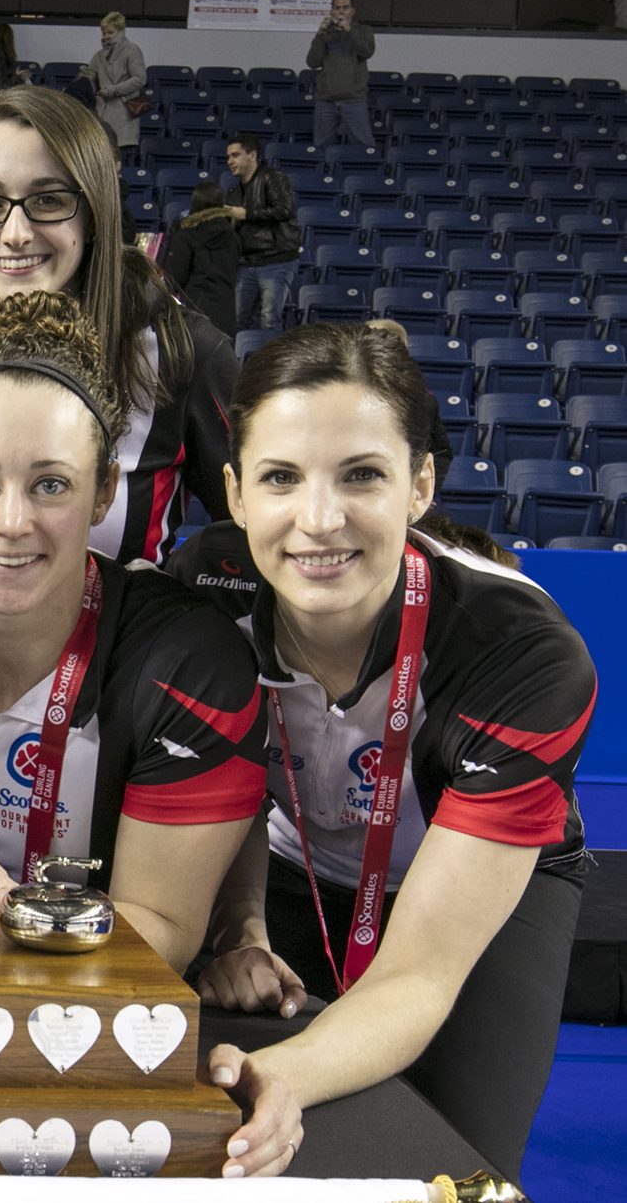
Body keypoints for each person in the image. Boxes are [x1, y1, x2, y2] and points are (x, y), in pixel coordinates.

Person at [167, 323, 594, 1180]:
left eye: (362, 474)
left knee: (459, 1169)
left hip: (489, 883)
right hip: (290, 863)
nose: (319, 521)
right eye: (280, 477)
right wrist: (239, 923)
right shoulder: (202, 590)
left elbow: (419, 979)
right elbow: (219, 779)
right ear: (236, 492)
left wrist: (276, 1076)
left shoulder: (520, 652)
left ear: (420, 484)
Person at [0, 290, 266, 949]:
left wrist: (8, 910)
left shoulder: (189, 661)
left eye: (51, 485)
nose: (12, 523)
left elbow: (165, 939)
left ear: (102, 494)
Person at [0, 85, 237, 567]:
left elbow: (255, 545)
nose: (15, 234)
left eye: (48, 200)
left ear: (93, 212)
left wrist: (173, 613)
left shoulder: (183, 353)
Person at [223, 132, 302, 333]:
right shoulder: (233, 192)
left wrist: (246, 214)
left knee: (270, 320)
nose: (230, 161)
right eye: (228, 157)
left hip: (277, 260)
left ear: (252, 155)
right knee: (237, 320)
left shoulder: (273, 178)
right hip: (247, 261)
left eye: (235, 155)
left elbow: (285, 209)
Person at [163, 179, 241, 339]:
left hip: (196, 313)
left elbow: (175, 278)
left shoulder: (186, 235)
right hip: (226, 314)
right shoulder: (233, 236)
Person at [306, 0, 374, 148]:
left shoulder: (364, 31)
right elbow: (312, 62)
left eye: (345, 7)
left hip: (354, 100)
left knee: (364, 146)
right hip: (326, 100)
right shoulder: (326, 33)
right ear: (332, 12)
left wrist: (349, 31)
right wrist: (320, 34)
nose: (341, 11)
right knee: (321, 146)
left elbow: (367, 52)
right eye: (337, 8)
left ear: (352, 11)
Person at [88, 11, 147, 162]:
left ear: (122, 31)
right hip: (103, 113)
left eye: (110, 32)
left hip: (126, 112)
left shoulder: (132, 50)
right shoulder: (99, 55)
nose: (106, 36)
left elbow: (140, 79)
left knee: (122, 159)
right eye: (103, 32)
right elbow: (88, 77)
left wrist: (112, 90)